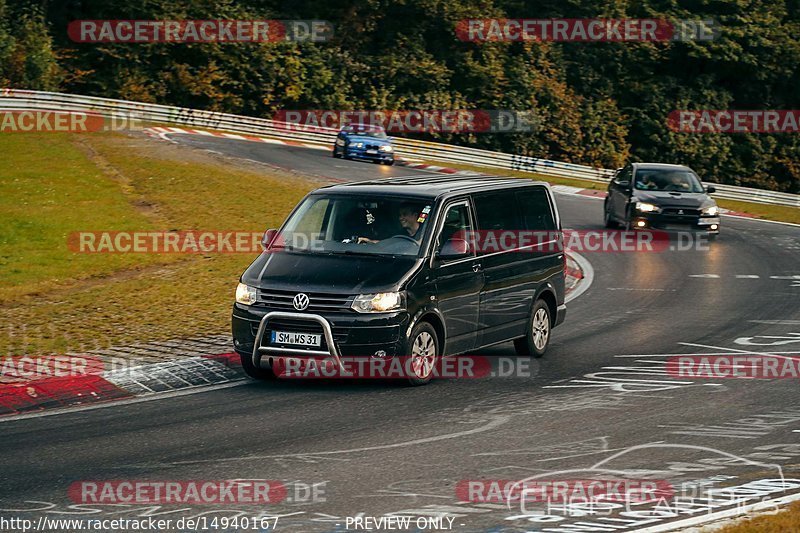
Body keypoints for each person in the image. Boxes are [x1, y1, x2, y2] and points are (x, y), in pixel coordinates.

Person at [358, 204, 422, 244]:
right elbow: (387, 243)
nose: (400, 218)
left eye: (404, 214)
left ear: (415, 215)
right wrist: (369, 241)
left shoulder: (426, 233)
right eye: (400, 215)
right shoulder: (400, 234)